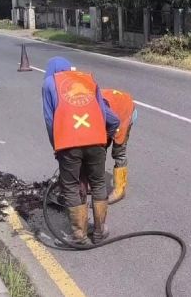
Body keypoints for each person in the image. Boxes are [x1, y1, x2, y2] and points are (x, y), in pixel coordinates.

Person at [42, 57, 119, 245]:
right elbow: (106, 114)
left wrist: (56, 147)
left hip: (68, 143)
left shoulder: (49, 83)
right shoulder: (87, 79)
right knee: (99, 182)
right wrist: (104, 139)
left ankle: (79, 236)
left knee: (70, 186)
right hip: (96, 140)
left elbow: (50, 121)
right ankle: (100, 231)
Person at [101, 89, 137, 204]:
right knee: (100, 149)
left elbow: (115, 122)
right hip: (112, 109)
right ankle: (96, 182)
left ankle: (120, 190)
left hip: (124, 113)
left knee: (118, 151)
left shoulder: (100, 108)